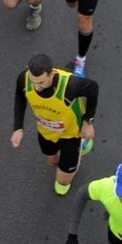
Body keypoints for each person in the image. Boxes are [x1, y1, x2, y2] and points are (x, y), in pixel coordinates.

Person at [12, 53, 99, 196]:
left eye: (41, 82)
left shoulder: (71, 85)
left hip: (71, 133)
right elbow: (20, 97)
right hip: (46, 131)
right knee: (51, 162)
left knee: (62, 183)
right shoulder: (24, 78)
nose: (36, 86)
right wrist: (18, 127)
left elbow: (93, 88)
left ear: (51, 74)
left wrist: (88, 122)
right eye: (33, 81)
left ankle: (81, 143)